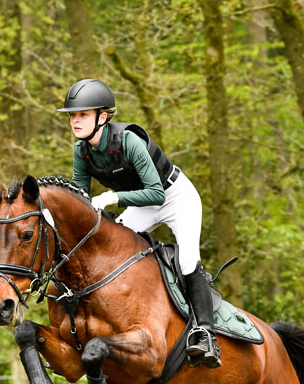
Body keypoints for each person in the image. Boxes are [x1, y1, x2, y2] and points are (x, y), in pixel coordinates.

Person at [57, 77, 221, 368]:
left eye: (82, 114)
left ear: (103, 116)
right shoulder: (81, 151)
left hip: (174, 196)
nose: (75, 121)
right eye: (73, 116)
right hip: (140, 204)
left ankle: (205, 334)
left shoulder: (128, 140)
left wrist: (113, 197)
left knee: (186, 260)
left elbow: (156, 193)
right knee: (114, 251)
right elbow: (80, 199)